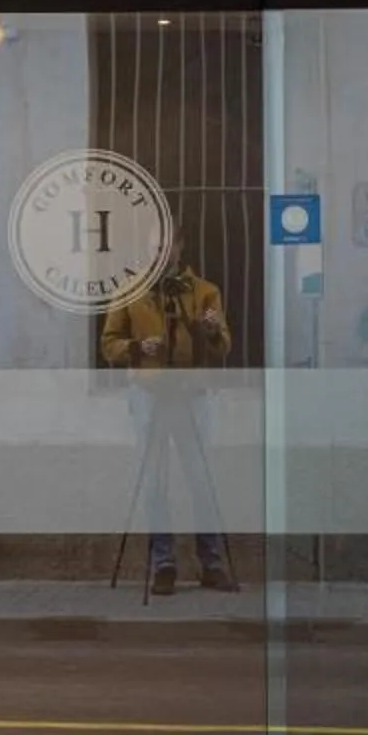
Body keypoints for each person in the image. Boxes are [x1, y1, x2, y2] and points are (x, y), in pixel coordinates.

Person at [99, 232, 238, 596]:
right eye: (155, 246)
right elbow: (109, 345)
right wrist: (136, 346)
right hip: (149, 393)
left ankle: (212, 564)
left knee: (201, 480)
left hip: (191, 395)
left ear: (180, 247)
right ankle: (163, 565)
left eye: (168, 246)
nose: (162, 253)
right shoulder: (130, 289)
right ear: (146, 249)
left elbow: (224, 345)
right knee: (154, 482)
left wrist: (210, 332)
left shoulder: (205, 291)